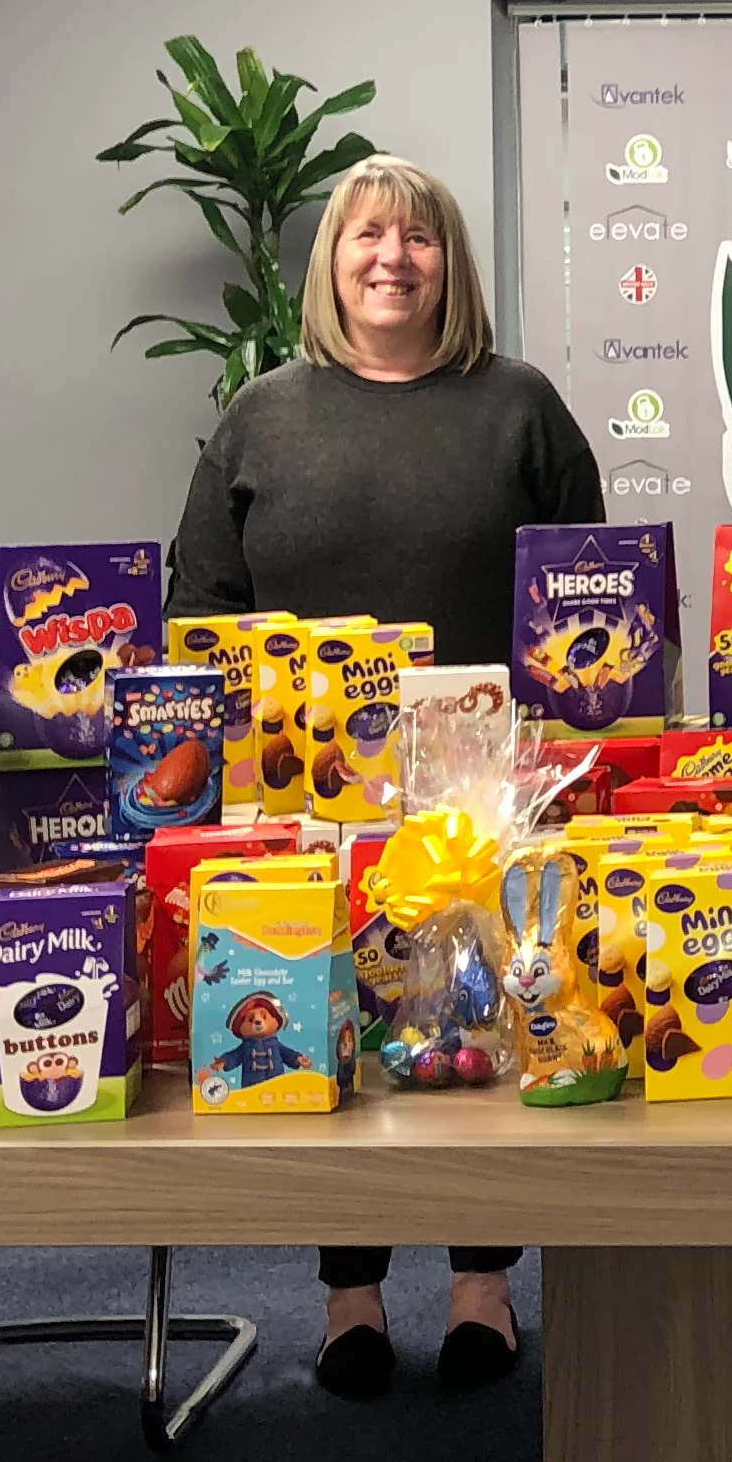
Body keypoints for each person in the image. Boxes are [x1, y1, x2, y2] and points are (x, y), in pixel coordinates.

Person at [168, 153, 603, 1399]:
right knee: (325, 1020)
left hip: (485, 786)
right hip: (308, 790)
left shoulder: (518, 405)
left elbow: (592, 593)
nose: (391, 259)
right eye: (367, 237)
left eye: (417, 239)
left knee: (477, 1030)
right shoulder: (262, 413)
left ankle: (483, 1288)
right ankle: (348, 1296)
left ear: (447, 263)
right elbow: (202, 606)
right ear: (331, 262)